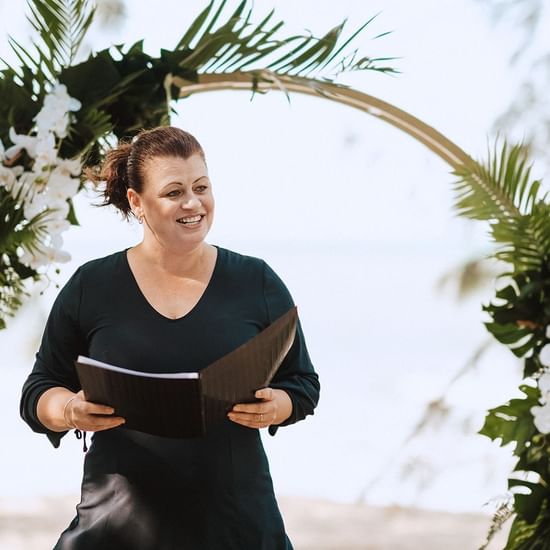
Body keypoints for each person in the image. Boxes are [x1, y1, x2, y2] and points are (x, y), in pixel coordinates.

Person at [19, 126, 320, 549]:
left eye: (201, 186)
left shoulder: (257, 281)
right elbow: (37, 392)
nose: (193, 202)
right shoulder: (92, 285)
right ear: (136, 202)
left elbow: (302, 383)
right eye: (174, 191)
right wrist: (69, 410)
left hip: (238, 527)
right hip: (116, 528)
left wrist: (277, 406)